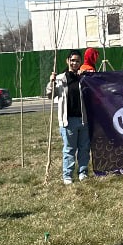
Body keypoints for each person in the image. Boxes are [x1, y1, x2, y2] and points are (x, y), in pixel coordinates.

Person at [47, 51, 91, 184]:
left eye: (77, 61)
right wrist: (51, 82)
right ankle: (67, 175)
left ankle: (83, 173)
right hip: (68, 120)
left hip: (83, 119)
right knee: (69, 149)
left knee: (84, 148)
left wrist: (85, 77)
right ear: (67, 61)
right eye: (72, 60)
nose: (74, 63)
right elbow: (50, 95)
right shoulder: (60, 78)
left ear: (80, 62)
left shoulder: (83, 78)